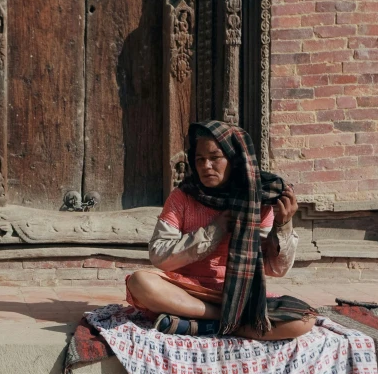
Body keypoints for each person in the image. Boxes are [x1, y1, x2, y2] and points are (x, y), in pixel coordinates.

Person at [127, 120, 316, 340]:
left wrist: (282, 225)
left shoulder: (258, 201)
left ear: (235, 161)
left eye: (215, 158)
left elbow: (275, 270)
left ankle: (201, 326)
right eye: (199, 159)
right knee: (140, 282)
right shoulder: (182, 197)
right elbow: (159, 256)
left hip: (239, 294)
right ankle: (226, 320)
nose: (206, 166)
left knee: (304, 319)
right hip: (186, 292)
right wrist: (214, 229)